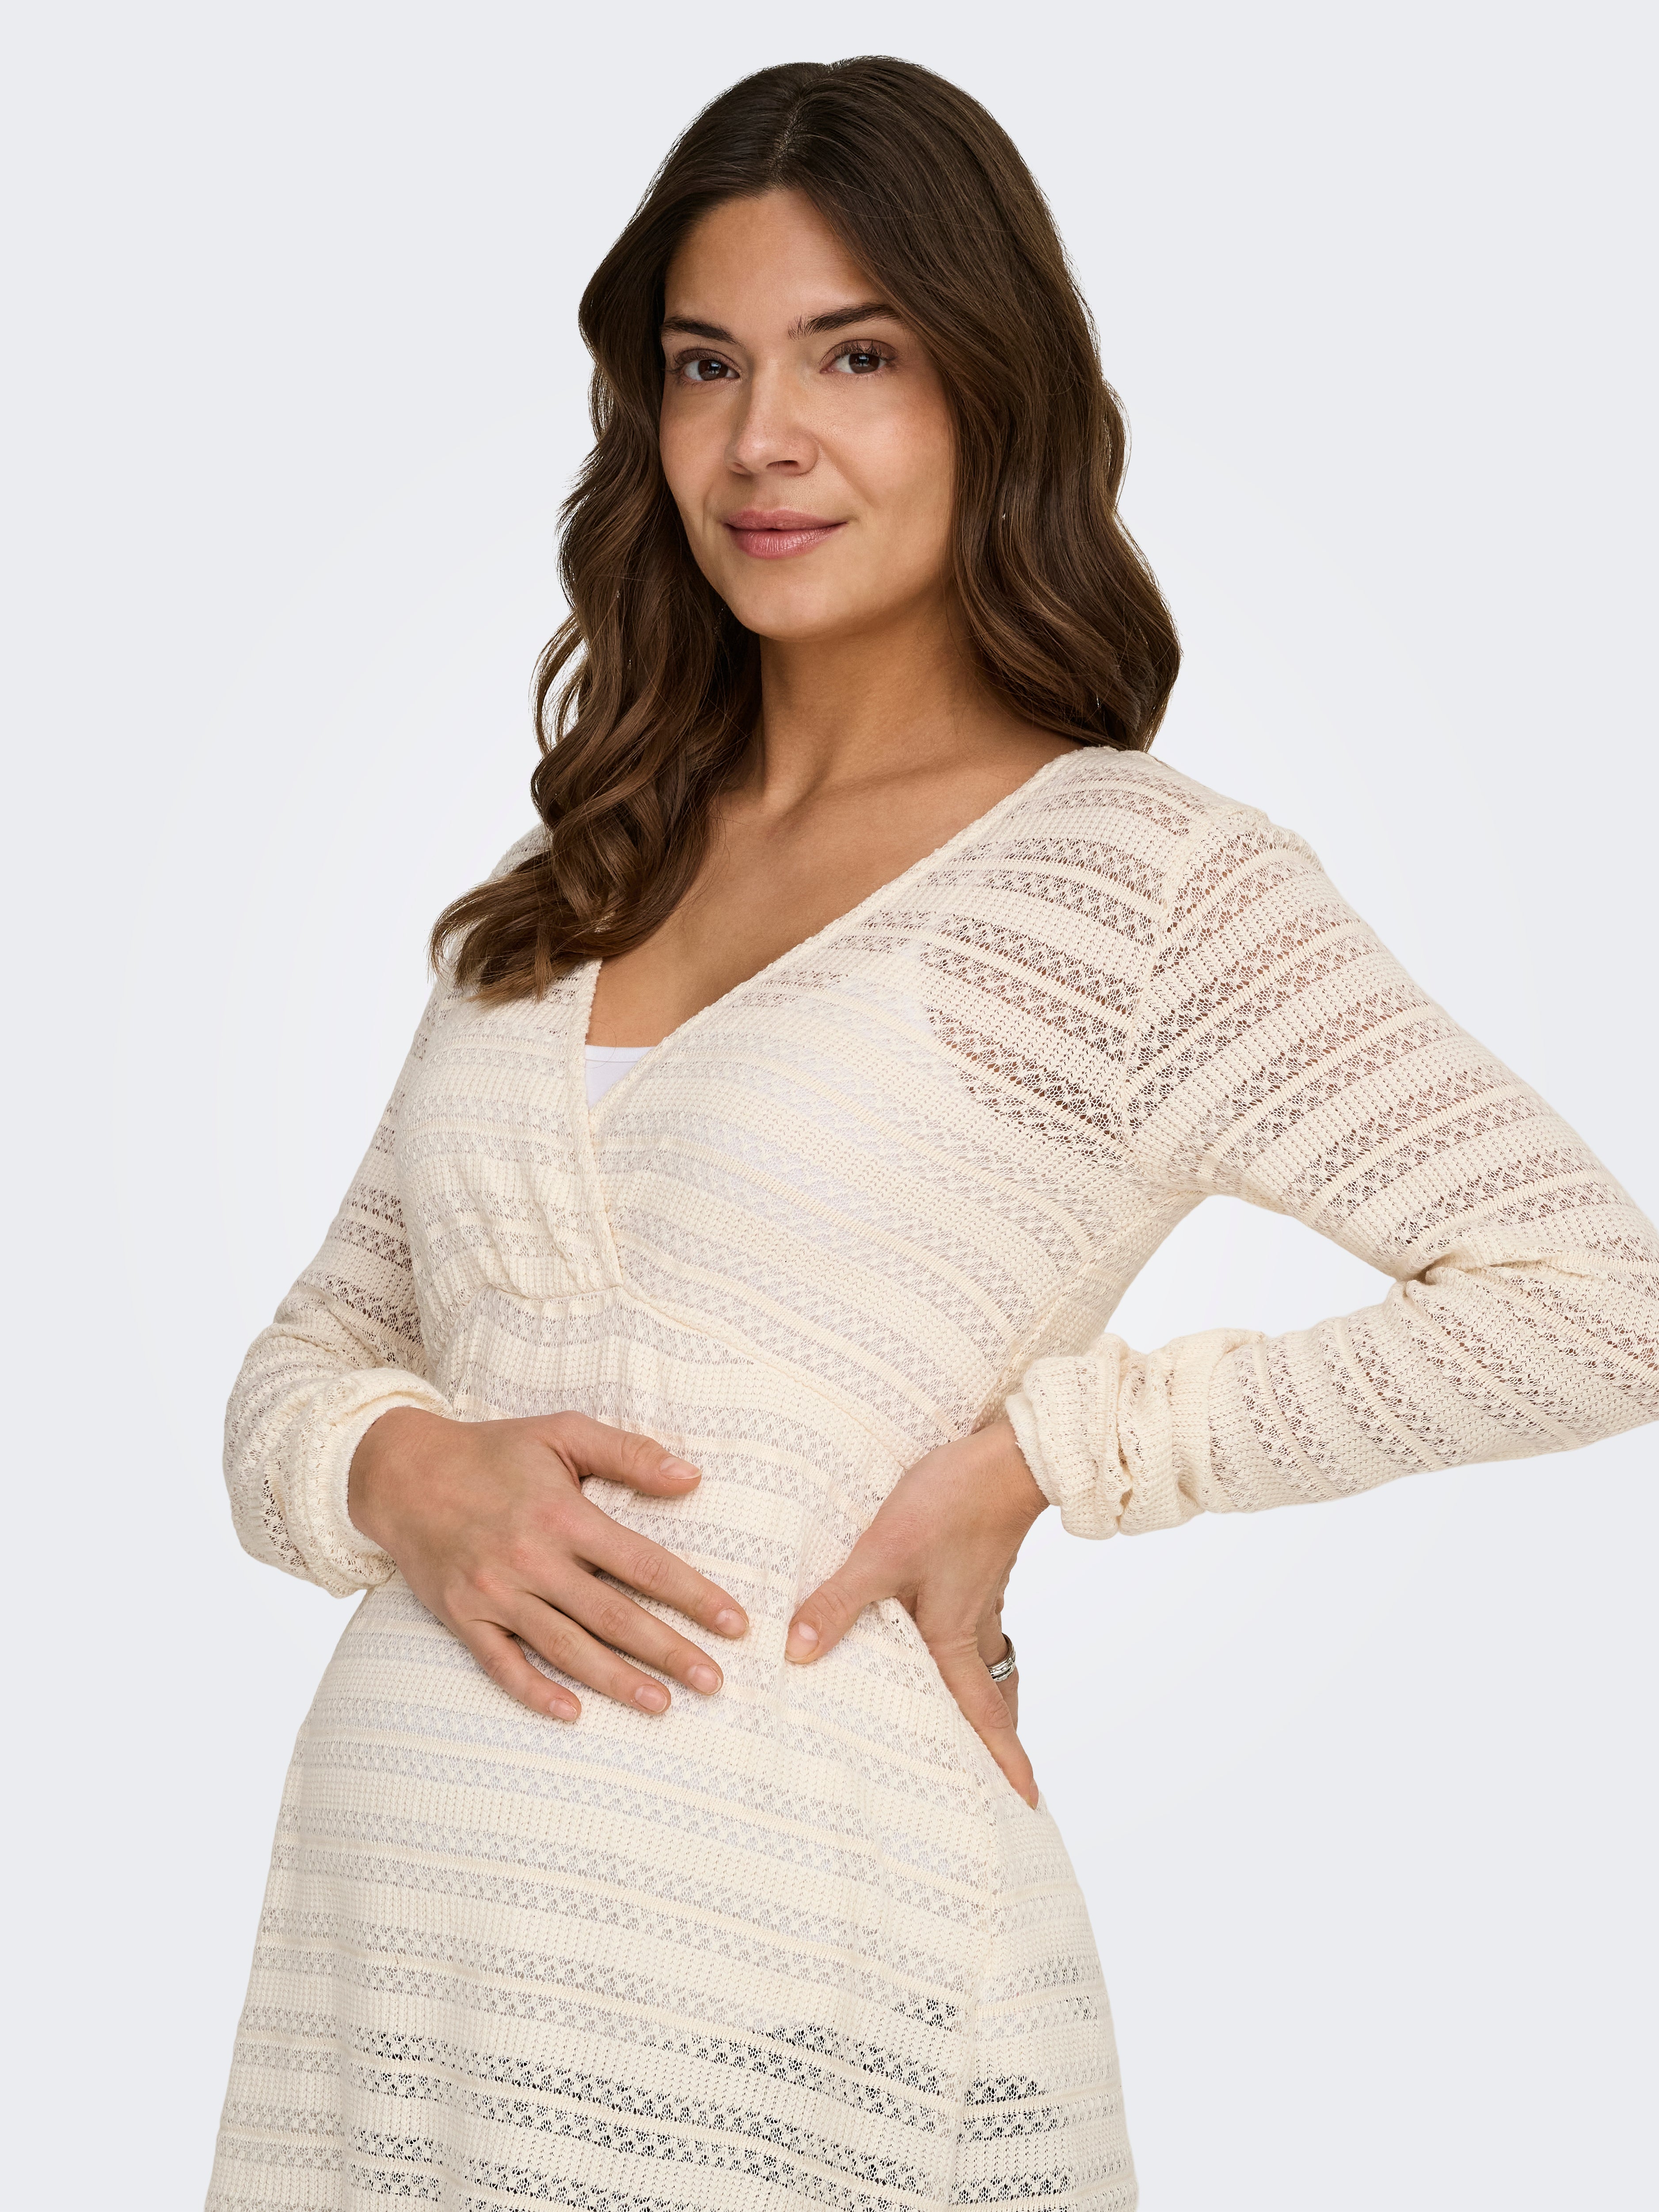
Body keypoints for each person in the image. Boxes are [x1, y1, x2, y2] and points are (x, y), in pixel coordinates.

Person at [206, 55, 1658, 2212]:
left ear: (995, 387)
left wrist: (1058, 1456)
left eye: (855, 356)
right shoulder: (568, 878)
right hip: (396, 1992)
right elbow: (309, 1356)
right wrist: (394, 1471)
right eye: (706, 363)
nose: (761, 440)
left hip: (806, 1995)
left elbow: (1606, 1305)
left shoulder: (1135, 884)